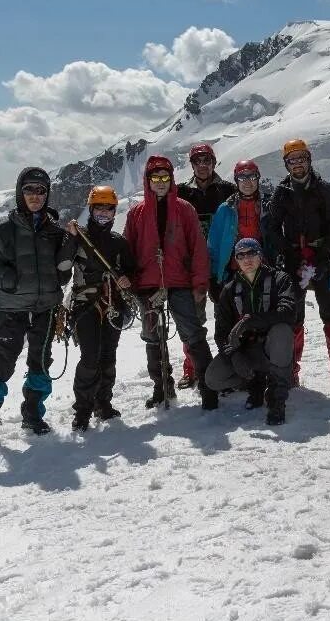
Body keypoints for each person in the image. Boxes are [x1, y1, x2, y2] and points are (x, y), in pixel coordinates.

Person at [0, 167, 73, 452]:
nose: (35, 196)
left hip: (46, 308)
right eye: (29, 189)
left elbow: (63, 268)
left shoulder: (56, 233)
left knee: (40, 363)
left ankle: (33, 416)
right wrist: (8, 280)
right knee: (3, 365)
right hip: (14, 309)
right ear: (20, 192)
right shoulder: (3, 231)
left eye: (41, 191)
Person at [124, 155, 218, 410]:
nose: (161, 182)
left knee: (193, 333)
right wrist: (132, 283)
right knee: (153, 338)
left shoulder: (184, 208)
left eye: (165, 177)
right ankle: (161, 387)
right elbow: (128, 249)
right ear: (148, 180)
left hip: (180, 280)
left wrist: (200, 283)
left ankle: (209, 387)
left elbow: (198, 247)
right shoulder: (137, 213)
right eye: (156, 178)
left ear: (171, 179)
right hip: (148, 284)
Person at [265, 138, 330, 393]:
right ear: (286, 164)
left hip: (321, 256)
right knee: (294, 315)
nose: (298, 164)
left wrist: (323, 255)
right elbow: (271, 228)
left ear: (309, 160)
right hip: (293, 259)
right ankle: (292, 370)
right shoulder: (281, 193)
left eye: (301, 158)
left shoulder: (324, 189)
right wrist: (288, 254)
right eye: (293, 160)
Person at [61, 185, 138, 432]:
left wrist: (127, 279)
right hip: (85, 307)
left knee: (108, 356)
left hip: (113, 305)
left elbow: (131, 270)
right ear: (91, 209)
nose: (104, 213)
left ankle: (103, 402)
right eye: (99, 208)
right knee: (90, 357)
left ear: (115, 212)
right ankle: (83, 409)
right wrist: (70, 239)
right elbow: (62, 268)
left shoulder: (119, 243)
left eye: (109, 208)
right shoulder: (79, 238)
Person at [205, 238, 297, 425]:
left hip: (272, 348)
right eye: (241, 255)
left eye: (251, 253)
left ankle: (276, 400)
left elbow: (288, 312)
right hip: (246, 350)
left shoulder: (280, 279)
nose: (247, 259)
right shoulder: (229, 290)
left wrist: (253, 320)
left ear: (260, 255)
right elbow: (221, 332)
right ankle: (254, 383)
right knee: (214, 378)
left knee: (282, 330)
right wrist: (234, 356)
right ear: (236, 260)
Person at [175, 143, 238, 389]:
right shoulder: (181, 193)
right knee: (192, 321)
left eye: (207, 161)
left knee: (230, 319)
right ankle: (191, 368)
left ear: (213, 163)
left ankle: (231, 366)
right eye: (198, 161)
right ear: (192, 164)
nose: (203, 165)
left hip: (223, 266)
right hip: (193, 267)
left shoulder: (228, 190)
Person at [207, 159, 278, 288]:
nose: (247, 182)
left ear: (258, 178)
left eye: (252, 176)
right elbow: (214, 245)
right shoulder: (225, 209)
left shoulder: (269, 207)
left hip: (265, 269)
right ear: (236, 180)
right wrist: (215, 275)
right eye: (242, 178)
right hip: (233, 271)